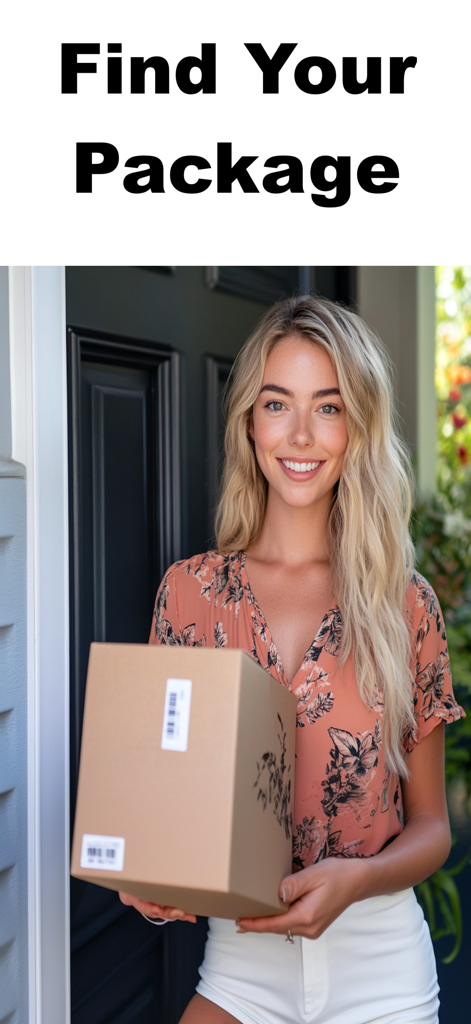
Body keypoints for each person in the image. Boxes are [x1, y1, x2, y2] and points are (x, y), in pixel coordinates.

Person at [120, 295, 464, 1024]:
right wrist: (148, 881)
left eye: (328, 407)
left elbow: (431, 826)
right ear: (249, 420)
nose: (300, 433)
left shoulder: (404, 605)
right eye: (277, 403)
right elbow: (162, 806)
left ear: (358, 425)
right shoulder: (189, 593)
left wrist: (356, 879)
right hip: (241, 966)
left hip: (380, 969)